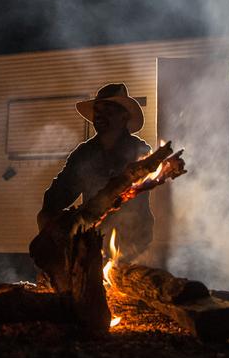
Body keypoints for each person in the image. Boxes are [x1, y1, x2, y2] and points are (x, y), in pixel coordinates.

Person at [37, 83, 153, 260]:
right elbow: (59, 194)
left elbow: (137, 201)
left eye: (108, 110)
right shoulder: (84, 154)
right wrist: (51, 220)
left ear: (123, 116)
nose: (100, 115)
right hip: (93, 238)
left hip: (132, 239)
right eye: (97, 110)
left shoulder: (140, 151)